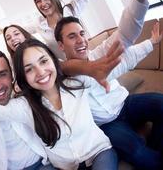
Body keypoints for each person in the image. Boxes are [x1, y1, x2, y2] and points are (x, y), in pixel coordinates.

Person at [54, 17, 163, 169]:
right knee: (137, 151)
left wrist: (151, 42)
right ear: (61, 45)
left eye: (82, 34)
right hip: (108, 124)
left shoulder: (97, 54)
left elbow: (126, 58)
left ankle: (155, 145)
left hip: (126, 104)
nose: (80, 40)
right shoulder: (59, 78)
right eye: (72, 36)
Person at [3, 24, 122, 92]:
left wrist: (90, 68)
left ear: (24, 35)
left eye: (16, 34)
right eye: (8, 38)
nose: (13, 38)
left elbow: (62, 66)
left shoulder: (42, 50)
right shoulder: (12, 66)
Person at [32, 0, 96, 60]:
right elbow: (24, 33)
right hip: (65, 70)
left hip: (86, 61)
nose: (43, 4)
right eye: (38, 1)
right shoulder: (39, 25)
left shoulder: (70, 10)